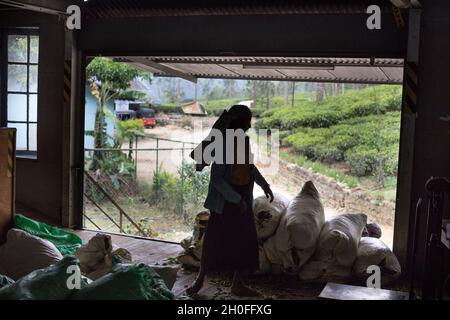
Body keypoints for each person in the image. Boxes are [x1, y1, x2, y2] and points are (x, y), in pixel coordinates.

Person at [186, 105, 274, 297]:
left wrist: (264, 184)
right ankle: (199, 281)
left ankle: (238, 284)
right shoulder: (224, 143)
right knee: (213, 243)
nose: (249, 126)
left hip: (242, 197)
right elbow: (217, 179)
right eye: (247, 121)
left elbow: (248, 167)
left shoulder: (242, 141)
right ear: (239, 122)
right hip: (225, 203)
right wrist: (235, 200)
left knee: (243, 243)